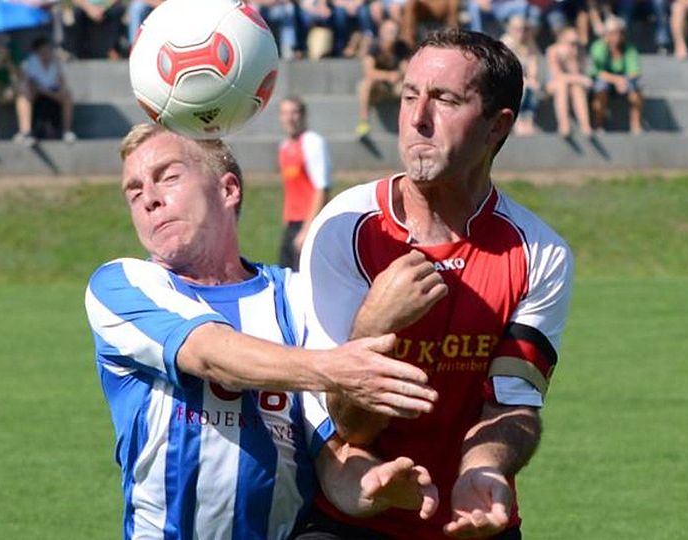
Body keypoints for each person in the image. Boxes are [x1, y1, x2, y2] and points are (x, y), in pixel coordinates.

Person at [85, 123, 442, 540]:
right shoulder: (121, 285)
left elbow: (329, 455)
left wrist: (370, 486)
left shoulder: (296, 297)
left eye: (168, 177)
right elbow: (210, 353)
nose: (149, 198)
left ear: (228, 189)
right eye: (134, 191)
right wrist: (338, 368)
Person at [294, 28, 574, 539]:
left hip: (475, 519)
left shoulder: (539, 253)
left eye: (445, 100)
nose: (417, 118)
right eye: (409, 96)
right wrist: (374, 326)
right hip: (352, 516)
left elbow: (512, 404)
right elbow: (347, 425)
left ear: (497, 126)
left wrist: (483, 469)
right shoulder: (345, 227)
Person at [277, 95, 332, 270]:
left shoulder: (312, 142)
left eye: (294, 113)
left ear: (303, 115)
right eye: (285, 113)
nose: (290, 118)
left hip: (307, 222)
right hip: (292, 224)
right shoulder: (284, 146)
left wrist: (307, 229)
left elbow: (322, 188)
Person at [355, 17, 410, 139]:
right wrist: (388, 76)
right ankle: (363, 121)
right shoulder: (374, 46)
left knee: (407, 88)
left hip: (395, 85)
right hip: (378, 86)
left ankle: (406, 124)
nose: (393, 34)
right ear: (381, 32)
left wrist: (399, 74)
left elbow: (406, 69)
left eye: (395, 31)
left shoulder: (401, 47)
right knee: (366, 84)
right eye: (390, 31)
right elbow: (369, 72)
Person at [16, 36, 76, 144]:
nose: (46, 52)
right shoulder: (31, 62)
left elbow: (62, 83)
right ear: (37, 52)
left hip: (51, 93)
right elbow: (32, 84)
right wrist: (47, 92)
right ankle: (26, 132)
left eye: (48, 49)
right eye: (43, 50)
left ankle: (67, 131)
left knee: (67, 95)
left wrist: (52, 92)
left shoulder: (56, 63)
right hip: (37, 93)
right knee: (23, 97)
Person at [588, 16, 642, 134]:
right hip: (604, 81)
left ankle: (636, 125)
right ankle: (598, 124)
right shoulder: (598, 47)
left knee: (635, 90)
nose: (616, 37)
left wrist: (623, 80)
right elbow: (597, 72)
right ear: (606, 34)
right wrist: (617, 80)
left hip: (623, 81)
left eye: (619, 33)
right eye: (612, 33)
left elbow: (634, 71)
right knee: (601, 88)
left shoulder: (629, 48)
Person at [545, 26, 592, 136]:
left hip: (572, 85)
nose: (574, 46)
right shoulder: (552, 51)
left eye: (576, 43)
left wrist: (572, 60)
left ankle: (585, 125)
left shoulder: (578, 52)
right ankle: (564, 125)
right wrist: (580, 79)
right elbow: (557, 76)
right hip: (553, 84)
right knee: (562, 86)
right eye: (571, 43)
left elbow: (578, 74)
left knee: (577, 88)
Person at [500, 15, 539, 136]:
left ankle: (528, 120)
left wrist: (532, 78)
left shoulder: (529, 44)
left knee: (532, 87)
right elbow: (505, 68)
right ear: (510, 29)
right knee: (523, 87)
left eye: (524, 29)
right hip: (507, 80)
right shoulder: (506, 43)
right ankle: (518, 120)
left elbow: (533, 64)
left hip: (524, 79)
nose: (522, 32)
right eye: (518, 29)